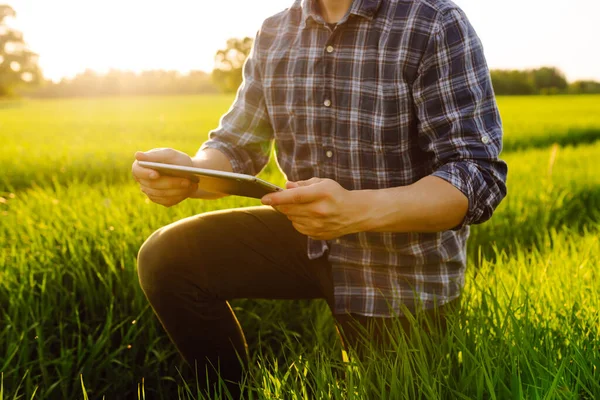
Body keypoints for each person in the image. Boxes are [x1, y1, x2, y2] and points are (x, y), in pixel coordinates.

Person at [132, 0, 507, 393]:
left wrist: (356, 211)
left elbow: (475, 176)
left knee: (391, 389)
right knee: (168, 257)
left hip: (401, 264)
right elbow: (237, 146)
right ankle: (230, 392)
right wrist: (190, 174)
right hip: (306, 235)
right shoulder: (275, 31)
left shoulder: (433, 22)